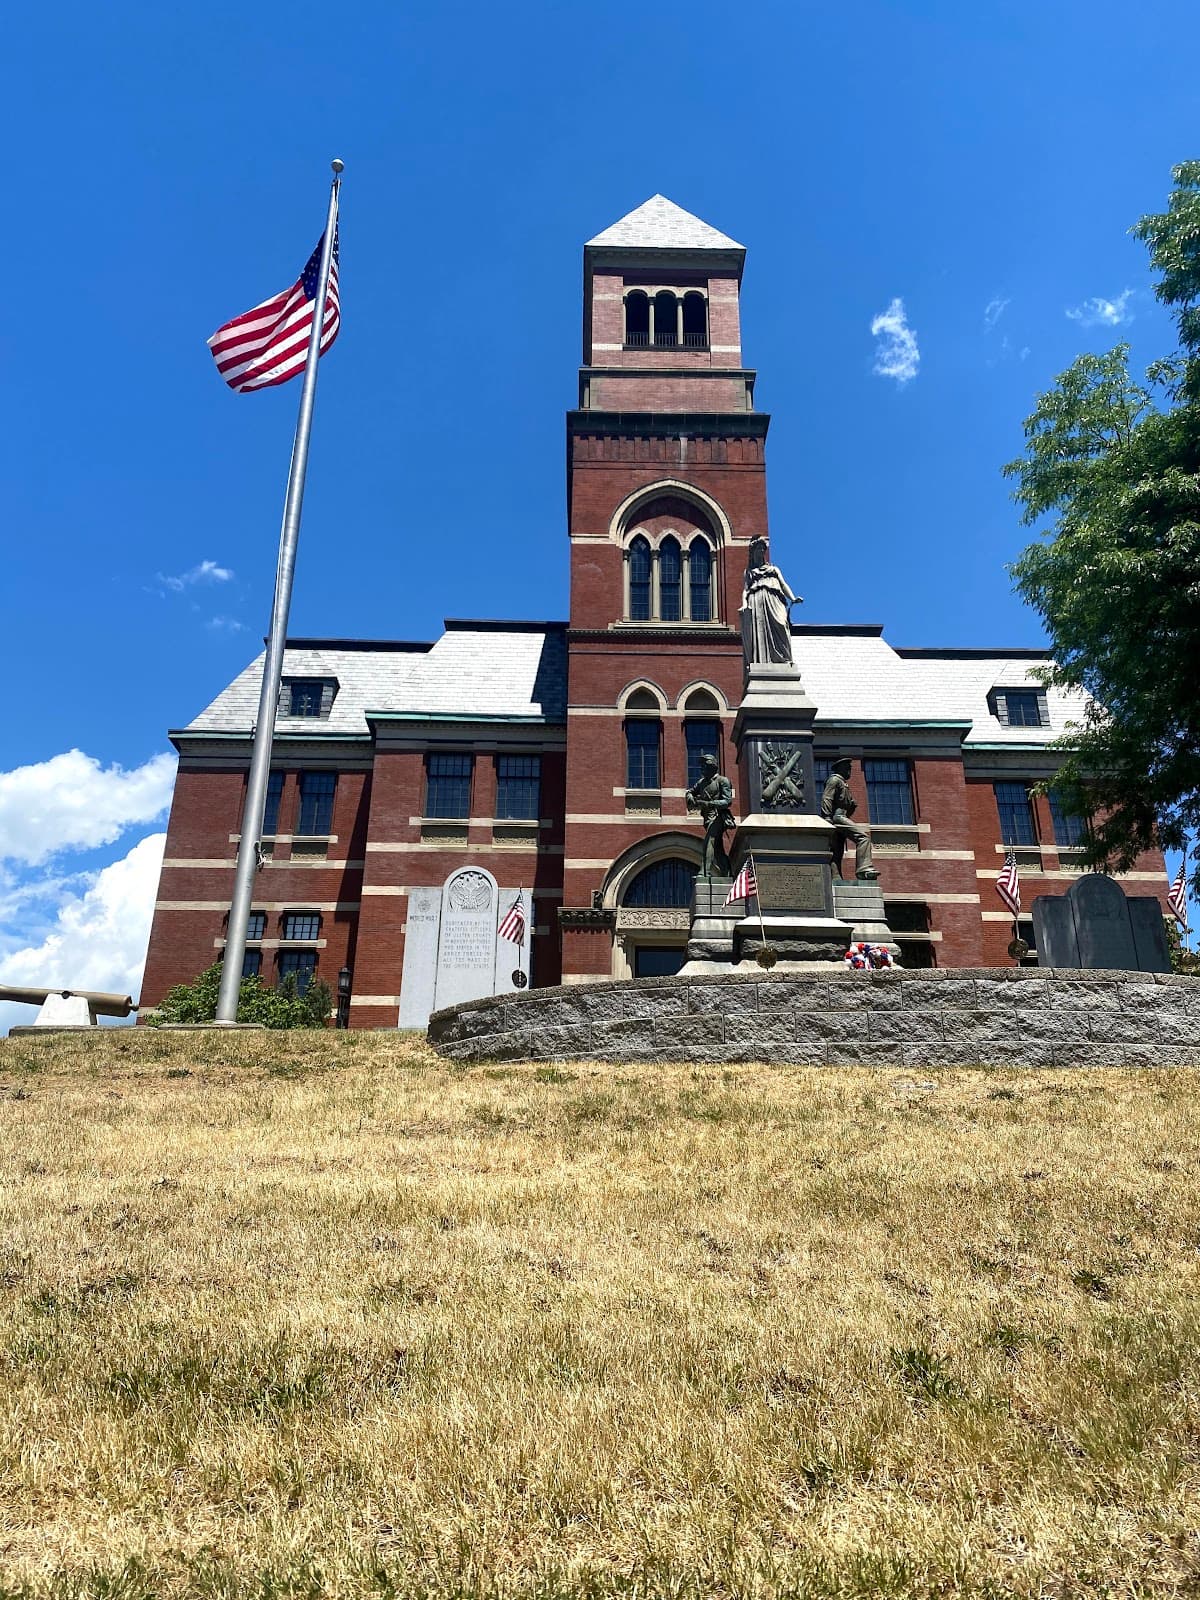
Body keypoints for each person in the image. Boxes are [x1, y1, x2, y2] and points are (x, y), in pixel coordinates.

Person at [740, 536, 799, 666]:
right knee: (760, 632)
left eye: (763, 549)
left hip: (774, 599)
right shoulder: (749, 572)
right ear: (753, 553)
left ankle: (784, 658)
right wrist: (744, 604)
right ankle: (763, 660)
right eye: (758, 549)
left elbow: (783, 584)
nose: (761, 551)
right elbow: (745, 590)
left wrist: (793, 598)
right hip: (756, 601)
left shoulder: (774, 569)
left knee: (781, 623)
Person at [820, 759, 879, 881]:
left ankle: (835, 877)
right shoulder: (834, 780)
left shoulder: (843, 783)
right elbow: (827, 798)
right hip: (837, 818)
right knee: (863, 838)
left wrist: (851, 805)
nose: (849, 771)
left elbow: (847, 803)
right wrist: (827, 818)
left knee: (837, 850)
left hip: (842, 816)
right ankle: (864, 869)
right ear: (841, 768)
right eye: (848, 768)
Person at [685, 754, 735, 878]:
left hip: (719, 817)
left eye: (705, 767)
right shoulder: (701, 782)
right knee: (718, 850)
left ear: (712, 767)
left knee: (709, 841)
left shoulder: (722, 781)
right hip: (707, 818)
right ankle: (727, 873)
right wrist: (690, 797)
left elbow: (727, 801)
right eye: (702, 767)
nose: (702, 769)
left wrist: (709, 804)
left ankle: (704, 872)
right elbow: (691, 791)